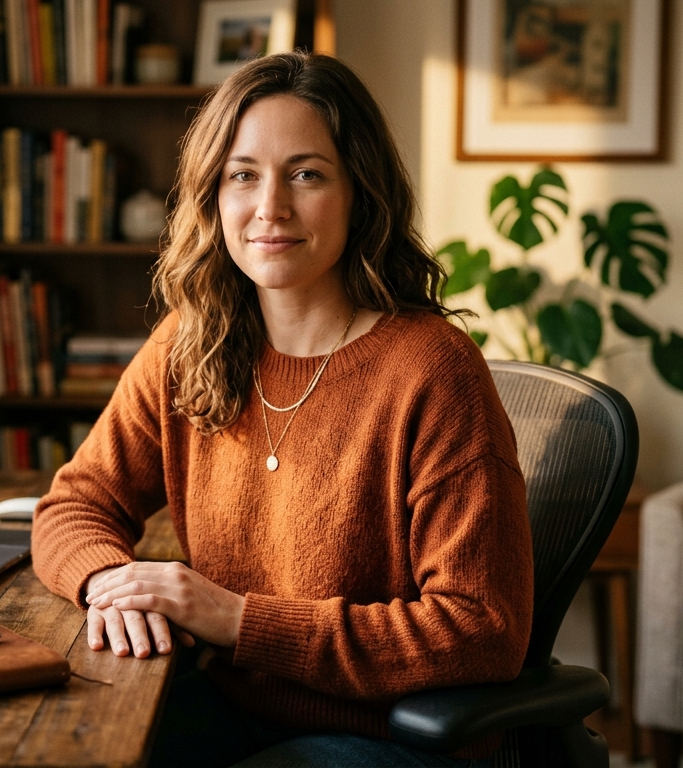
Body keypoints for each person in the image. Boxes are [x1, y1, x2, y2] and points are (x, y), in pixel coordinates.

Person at [31, 51, 532, 767]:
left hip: (382, 737)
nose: (271, 207)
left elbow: (482, 627)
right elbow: (74, 506)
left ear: (360, 191)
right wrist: (109, 580)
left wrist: (238, 620)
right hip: (226, 709)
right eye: (243, 175)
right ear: (213, 196)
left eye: (306, 174)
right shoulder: (192, 342)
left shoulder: (433, 370)